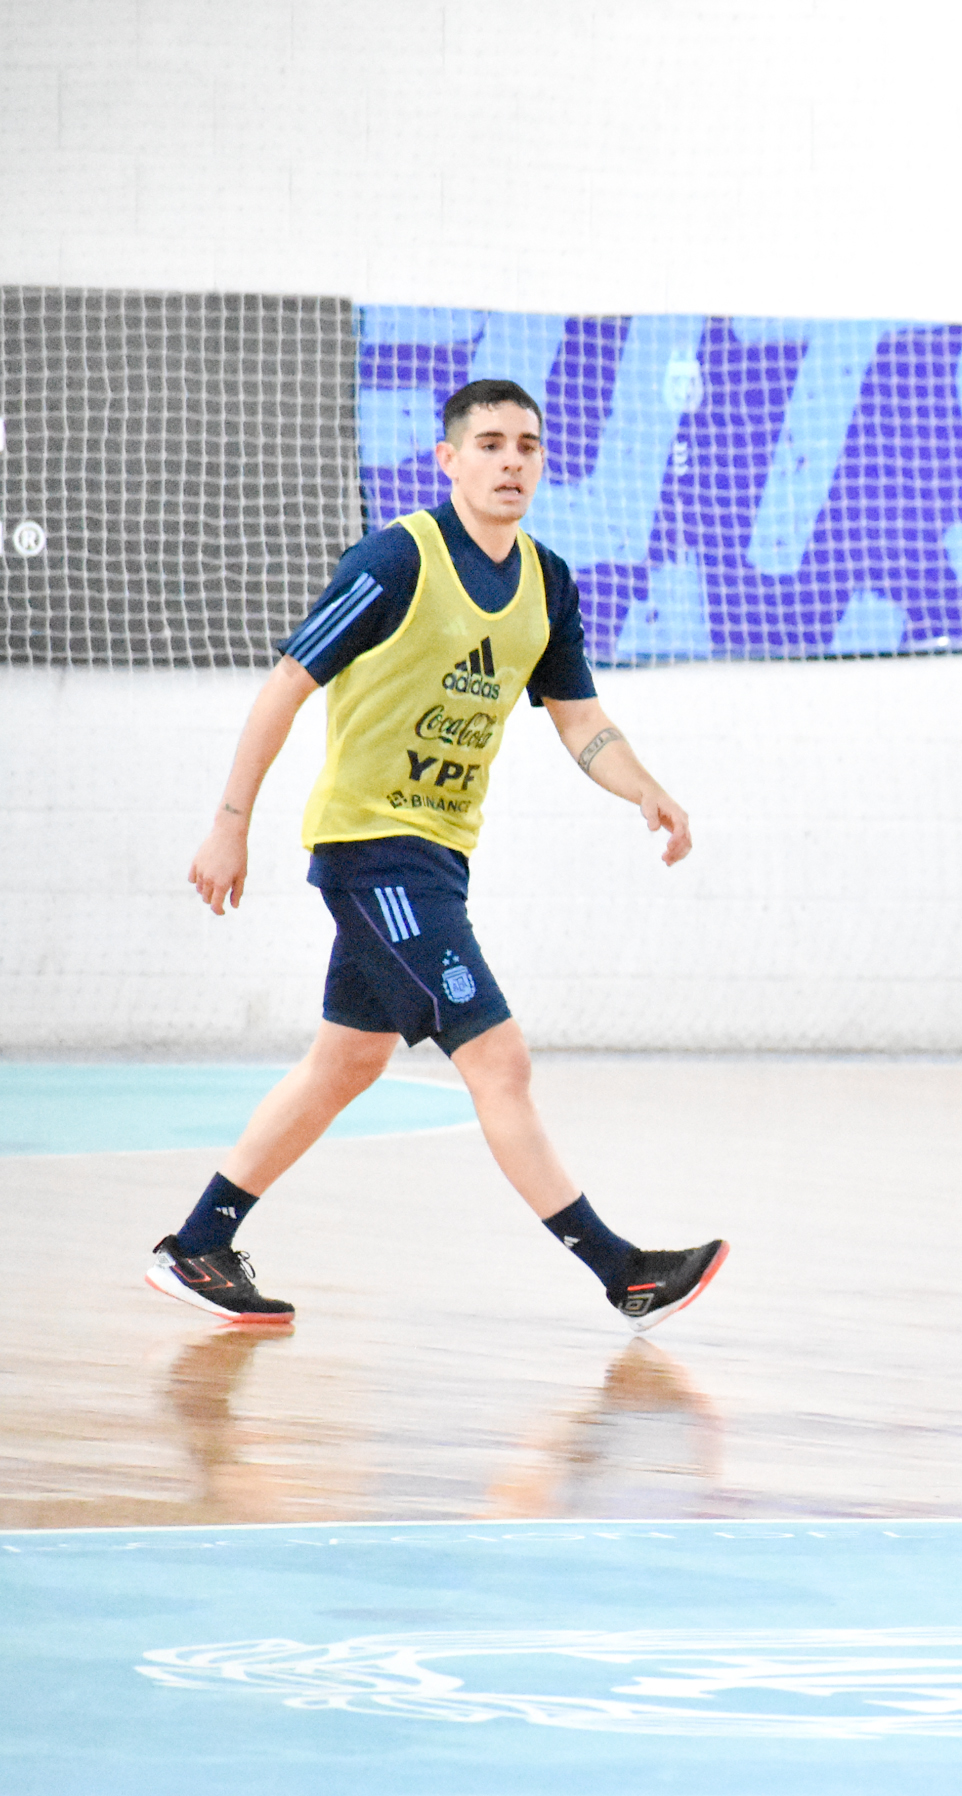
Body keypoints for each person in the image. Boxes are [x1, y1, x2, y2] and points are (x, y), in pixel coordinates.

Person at [147, 379, 726, 1333]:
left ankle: (199, 1244)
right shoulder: (396, 560)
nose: (511, 461)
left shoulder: (546, 581)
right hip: (374, 851)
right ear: (449, 459)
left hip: (438, 857)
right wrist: (229, 821)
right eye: (490, 443)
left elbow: (579, 718)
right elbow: (286, 683)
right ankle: (622, 1272)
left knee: (345, 1063)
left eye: (528, 445)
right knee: (499, 1058)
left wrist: (643, 786)